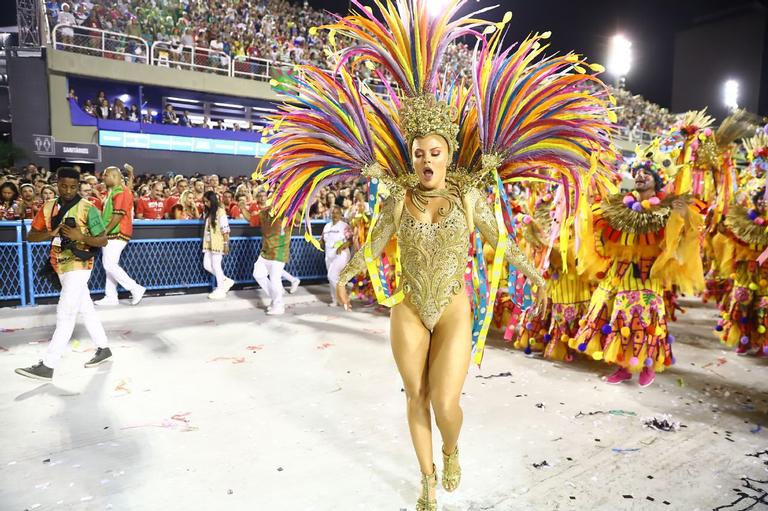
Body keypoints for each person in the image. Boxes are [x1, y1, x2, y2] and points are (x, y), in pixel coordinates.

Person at [257, 2, 614, 508]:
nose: (426, 158)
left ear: (449, 154)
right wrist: (349, 274)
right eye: (418, 151)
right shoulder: (398, 196)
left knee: (446, 402)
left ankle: (450, 449)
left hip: (453, 306)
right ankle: (426, 478)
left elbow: (500, 242)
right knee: (416, 396)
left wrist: (532, 271)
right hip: (408, 306)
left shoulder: (469, 195)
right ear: (412, 156)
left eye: (435, 151)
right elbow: (375, 244)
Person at [570, 156, 704, 387]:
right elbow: (597, 226)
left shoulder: (666, 209)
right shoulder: (621, 205)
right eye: (637, 172)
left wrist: (681, 217)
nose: (640, 176)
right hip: (618, 272)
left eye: (647, 173)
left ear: (657, 181)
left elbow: (684, 238)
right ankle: (623, 366)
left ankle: (648, 364)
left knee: (641, 319)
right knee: (611, 313)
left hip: (647, 274)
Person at [15, 167, 111, 381]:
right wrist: (50, 233)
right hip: (58, 263)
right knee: (86, 308)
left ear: (79, 186)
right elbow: (31, 237)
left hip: (80, 265)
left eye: (73, 187)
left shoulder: (88, 208)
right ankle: (104, 348)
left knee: (65, 314)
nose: (68, 190)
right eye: (64, 186)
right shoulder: (48, 207)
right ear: (57, 184)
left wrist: (80, 236)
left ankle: (48, 366)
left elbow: (103, 240)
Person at [95, 165, 145, 306]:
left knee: (109, 264)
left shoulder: (121, 191)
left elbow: (118, 215)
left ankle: (135, 288)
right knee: (110, 264)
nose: (103, 178)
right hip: (113, 232)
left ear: (114, 176)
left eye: (105, 175)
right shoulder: (115, 191)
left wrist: (104, 232)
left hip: (117, 232)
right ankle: (111, 296)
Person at [251, 191, 294, 315]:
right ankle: (276, 299)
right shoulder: (265, 212)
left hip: (279, 250)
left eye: (280, 199)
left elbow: (299, 214)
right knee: (258, 273)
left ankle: (279, 305)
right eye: (275, 198)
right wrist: (243, 207)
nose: (277, 201)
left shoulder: (287, 212)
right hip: (266, 250)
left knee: (275, 279)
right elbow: (252, 219)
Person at [202, 190, 235, 299]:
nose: (206, 203)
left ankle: (220, 289)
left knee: (216, 266)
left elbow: (225, 229)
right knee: (207, 265)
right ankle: (225, 280)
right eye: (204, 201)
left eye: (207, 201)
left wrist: (226, 244)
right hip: (208, 242)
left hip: (218, 242)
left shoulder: (220, 212)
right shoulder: (208, 212)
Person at [321, 206, 352, 306]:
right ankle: (335, 300)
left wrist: (342, 247)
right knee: (333, 278)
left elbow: (350, 240)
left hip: (341, 255)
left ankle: (344, 298)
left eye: (337, 213)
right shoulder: (327, 226)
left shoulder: (344, 226)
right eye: (333, 213)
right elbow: (323, 239)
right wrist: (319, 242)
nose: (335, 215)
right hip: (329, 255)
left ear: (340, 214)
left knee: (331, 276)